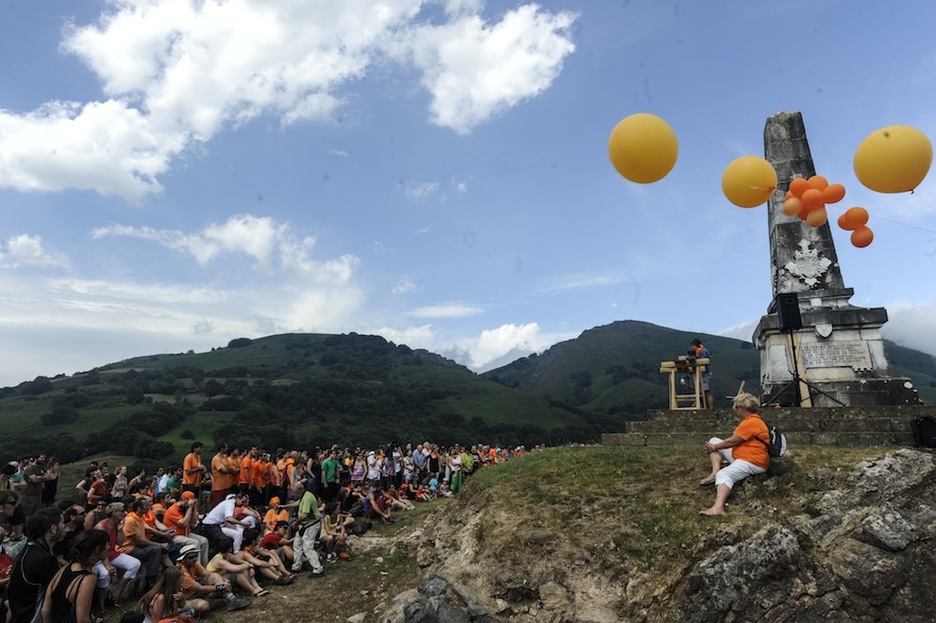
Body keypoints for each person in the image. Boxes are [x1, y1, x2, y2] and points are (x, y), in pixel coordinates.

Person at [699, 392, 770, 516]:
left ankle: (718, 508)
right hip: (745, 456)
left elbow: (732, 441)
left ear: (745, 408)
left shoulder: (750, 422)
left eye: (737, 407)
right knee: (714, 440)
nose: (735, 410)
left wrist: (714, 447)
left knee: (724, 474)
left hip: (752, 461)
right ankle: (714, 472)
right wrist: (715, 445)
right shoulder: (754, 421)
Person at [7, 508, 65, 623]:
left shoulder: (29, 551)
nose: (66, 528)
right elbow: (60, 594)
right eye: (63, 523)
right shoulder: (43, 560)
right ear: (53, 529)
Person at [41, 529, 107, 623]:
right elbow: (82, 619)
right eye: (106, 545)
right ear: (98, 549)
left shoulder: (63, 570)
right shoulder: (88, 579)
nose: (108, 547)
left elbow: (45, 610)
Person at [176, 543, 250, 615]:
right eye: (191, 557)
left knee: (215, 576)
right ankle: (214, 602)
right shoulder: (181, 572)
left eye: (195, 556)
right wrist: (222, 586)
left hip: (194, 592)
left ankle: (232, 599)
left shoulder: (194, 564)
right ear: (182, 560)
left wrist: (224, 579)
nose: (194, 559)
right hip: (184, 599)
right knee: (204, 606)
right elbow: (200, 588)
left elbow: (208, 574)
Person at [94, 502, 142, 609]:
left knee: (135, 564)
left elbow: (119, 543)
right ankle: (100, 603)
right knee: (105, 574)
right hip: (99, 557)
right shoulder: (101, 527)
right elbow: (101, 549)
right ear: (114, 513)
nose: (124, 513)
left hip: (112, 553)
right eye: (121, 511)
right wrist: (108, 565)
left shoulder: (116, 525)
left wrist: (120, 530)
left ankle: (118, 592)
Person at [162, 491, 210, 566]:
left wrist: (193, 508)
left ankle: (204, 566)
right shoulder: (173, 509)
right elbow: (183, 523)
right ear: (184, 499)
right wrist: (190, 508)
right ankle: (197, 568)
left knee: (204, 541)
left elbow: (194, 523)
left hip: (186, 534)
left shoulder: (186, 508)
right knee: (195, 542)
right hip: (175, 536)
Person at [288, 483, 324, 577]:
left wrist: (296, 523)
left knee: (308, 547)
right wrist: (284, 506)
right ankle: (297, 566)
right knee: (297, 543)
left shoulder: (307, 498)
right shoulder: (304, 495)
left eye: (294, 492)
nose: (293, 494)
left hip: (311, 524)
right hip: (306, 525)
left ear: (299, 491)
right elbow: (298, 503)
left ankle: (318, 569)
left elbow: (304, 515)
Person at [689, 338, 715, 410]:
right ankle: (705, 407)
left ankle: (711, 408)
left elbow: (702, 362)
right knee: (702, 392)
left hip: (705, 374)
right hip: (701, 374)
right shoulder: (699, 351)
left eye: (693, 346)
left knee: (706, 391)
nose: (692, 348)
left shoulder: (703, 351)